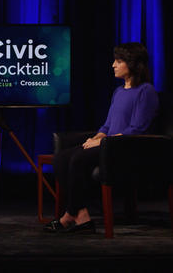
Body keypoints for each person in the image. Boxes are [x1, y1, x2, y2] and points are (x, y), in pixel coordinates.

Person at [44, 42, 159, 234]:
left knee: (78, 159)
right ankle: (81, 216)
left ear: (132, 64)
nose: (113, 65)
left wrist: (102, 142)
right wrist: (96, 138)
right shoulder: (119, 92)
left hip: (125, 148)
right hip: (108, 144)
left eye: (119, 61)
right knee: (61, 158)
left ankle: (70, 215)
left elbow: (136, 130)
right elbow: (107, 126)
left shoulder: (146, 91)